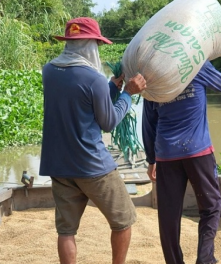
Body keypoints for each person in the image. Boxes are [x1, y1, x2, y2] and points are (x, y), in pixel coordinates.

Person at [39, 17, 147, 264]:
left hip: (59, 165)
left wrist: (111, 87)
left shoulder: (49, 71)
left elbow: (82, 106)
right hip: (92, 165)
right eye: (96, 45)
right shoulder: (93, 78)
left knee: (66, 230)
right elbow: (107, 122)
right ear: (90, 45)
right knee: (124, 220)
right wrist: (127, 93)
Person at [142, 40, 221, 264]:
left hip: (166, 154)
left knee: (168, 215)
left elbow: (149, 123)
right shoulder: (196, 64)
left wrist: (151, 159)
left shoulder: (152, 76)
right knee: (211, 206)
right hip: (198, 151)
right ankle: (205, 260)